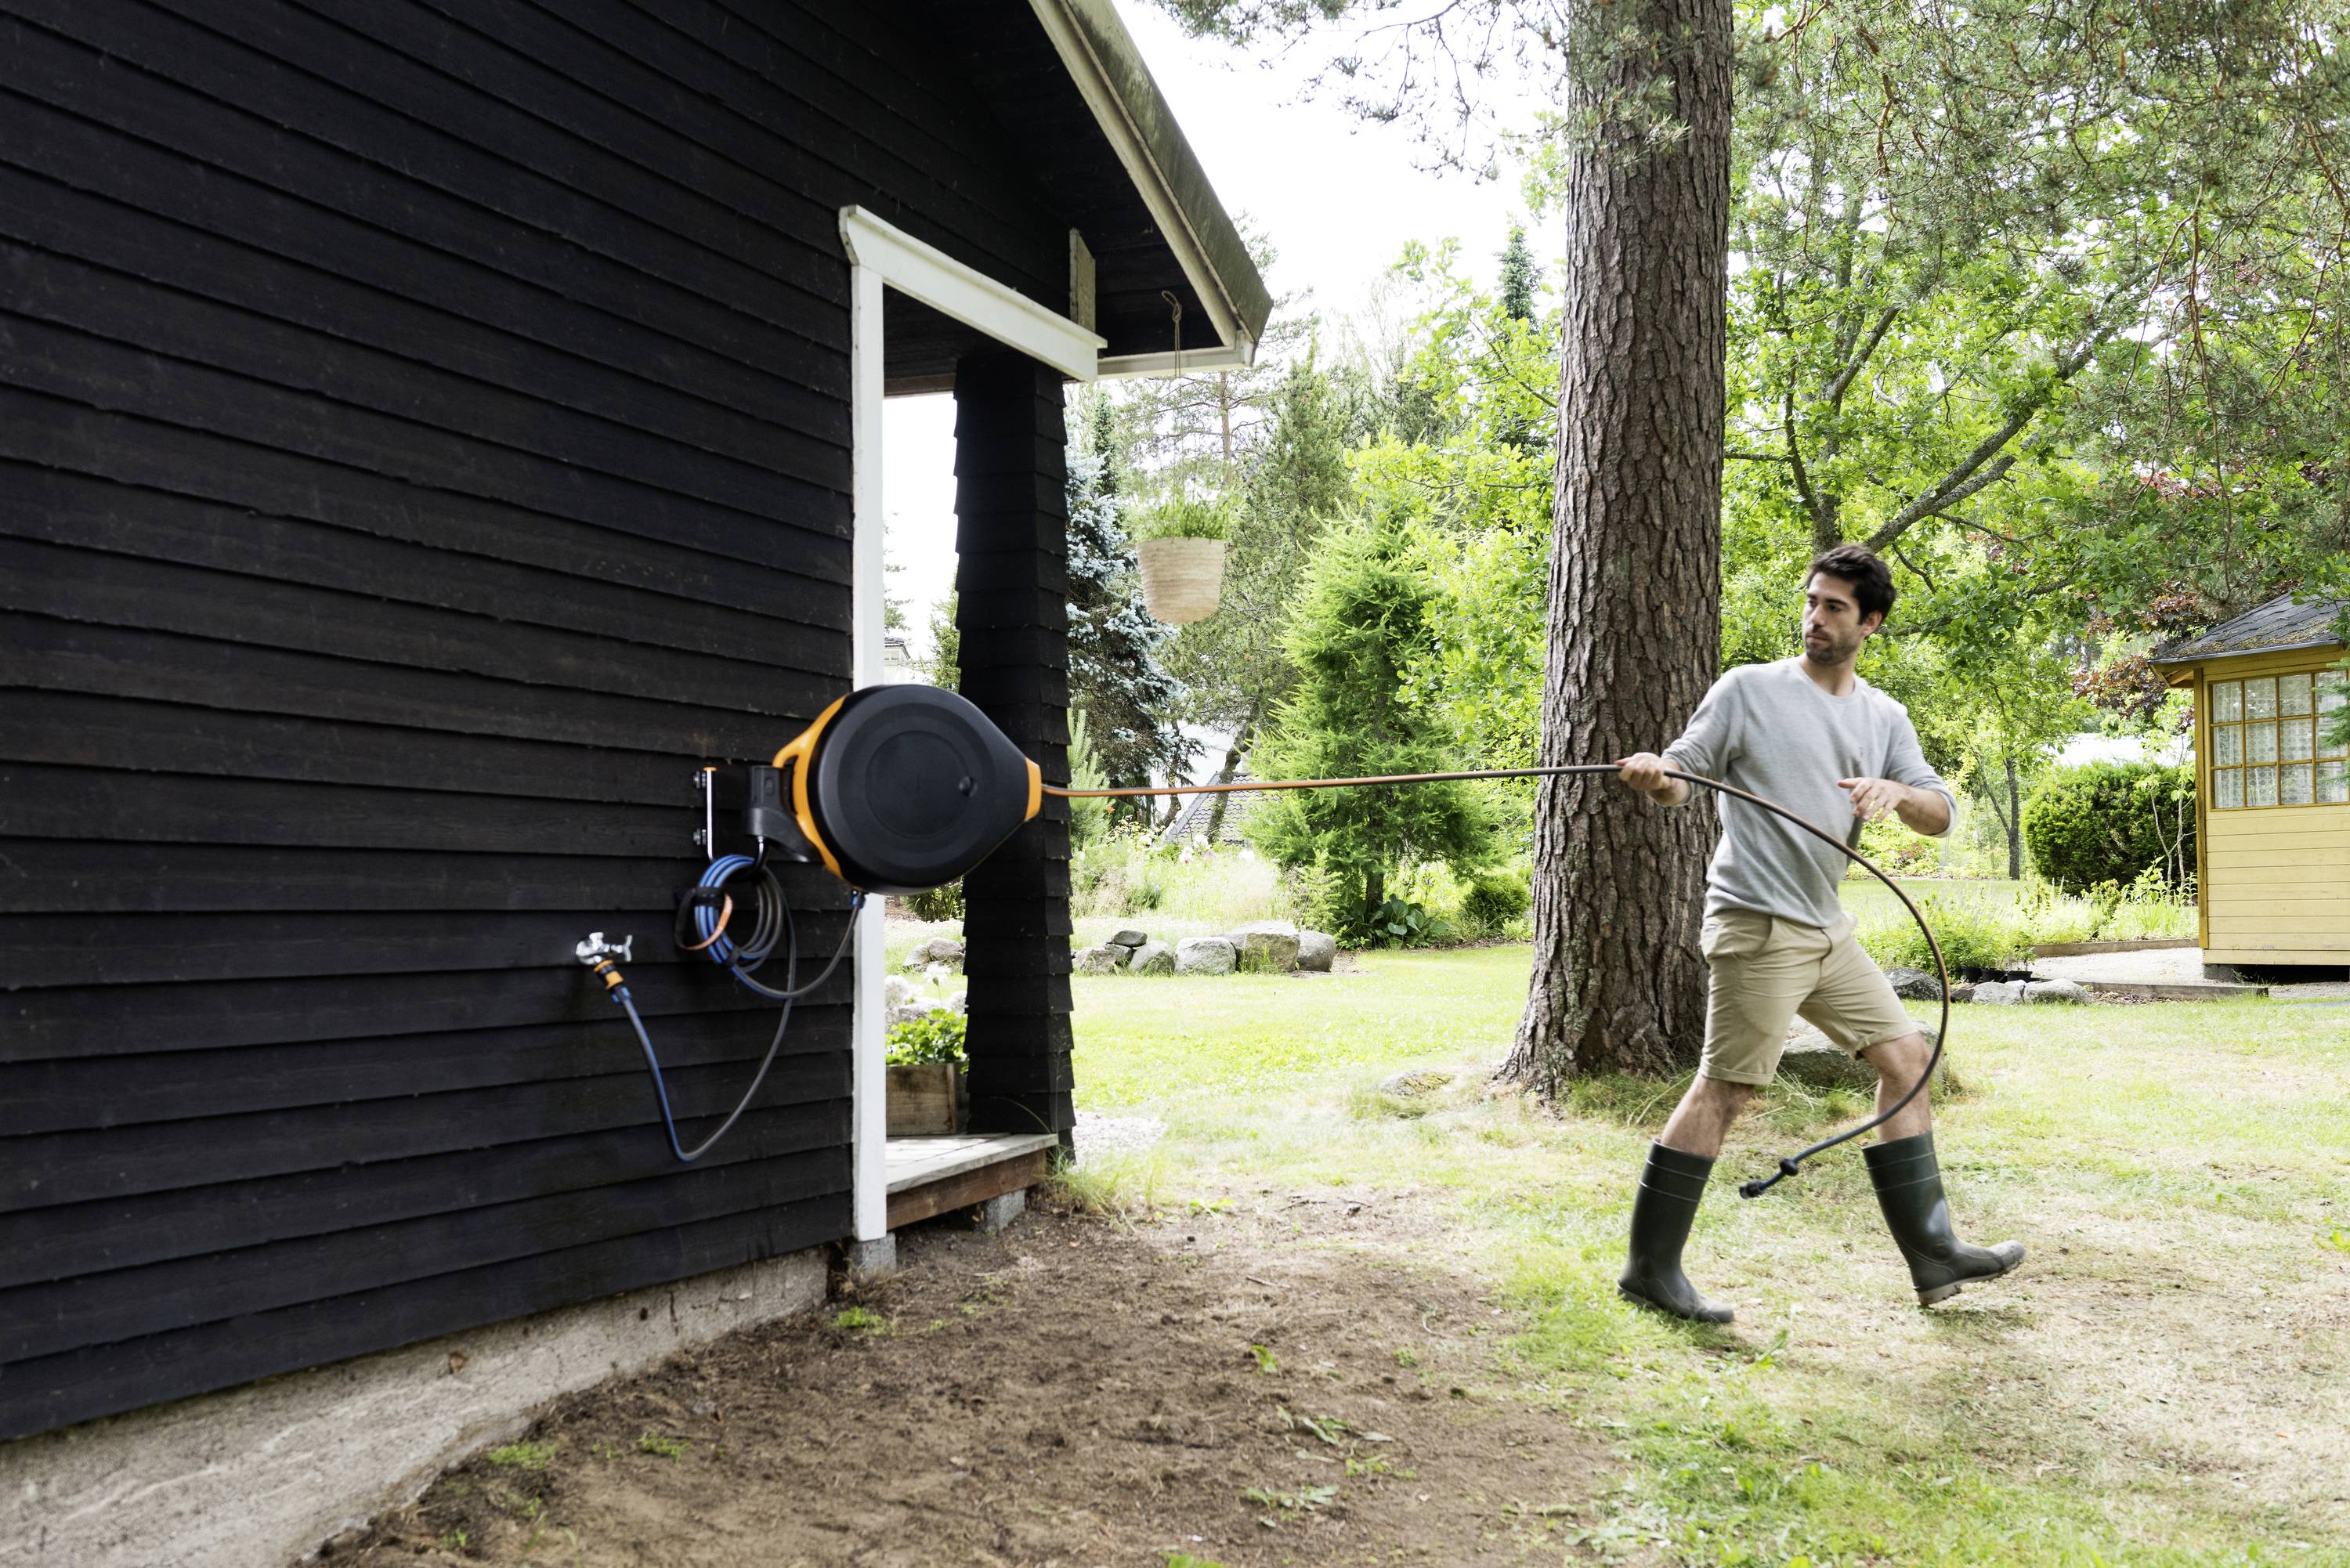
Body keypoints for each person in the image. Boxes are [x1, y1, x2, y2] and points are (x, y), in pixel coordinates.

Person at [1612, 544, 2023, 1322]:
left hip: (1827, 930)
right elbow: (1681, 772)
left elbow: (1940, 814)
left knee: (1909, 1059)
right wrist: (1653, 773)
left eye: (1835, 608)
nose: (1815, 618)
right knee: (1726, 1089)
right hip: (1758, 922)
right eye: (1812, 602)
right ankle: (1651, 1268)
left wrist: (1896, 792)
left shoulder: (1883, 716)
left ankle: (1933, 1254)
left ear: (1870, 622)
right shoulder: (1749, 690)